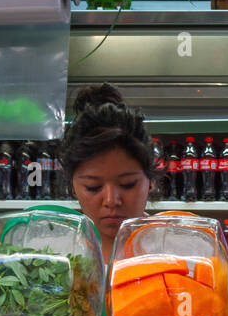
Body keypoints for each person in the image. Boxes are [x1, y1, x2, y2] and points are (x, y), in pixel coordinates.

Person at [58, 83, 155, 264]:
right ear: (72, 186)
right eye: (93, 187)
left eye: (128, 184)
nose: (111, 200)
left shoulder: (178, 252)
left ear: (151, 181)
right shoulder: (56, 258)